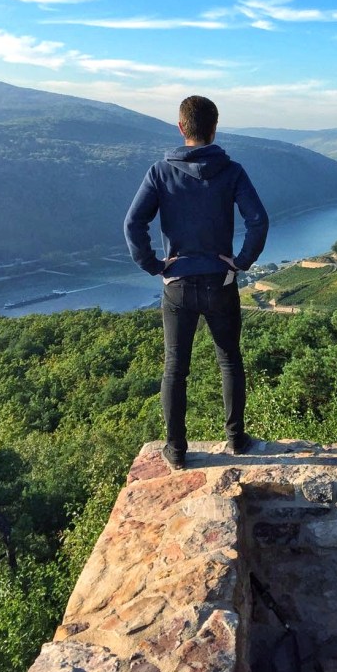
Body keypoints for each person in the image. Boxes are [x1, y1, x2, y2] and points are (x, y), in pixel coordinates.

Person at [124, 95, 269, 469]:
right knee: (230, 362)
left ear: (181, 127)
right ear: (214, 128)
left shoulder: (159, 171)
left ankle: (176, 450)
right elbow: (258, 221)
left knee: (175, 368)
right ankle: (236, 439)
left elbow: (133, 224)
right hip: (220, 282)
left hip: (178, 286)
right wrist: (241, 262)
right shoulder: (232, 170)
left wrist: (154, 265)